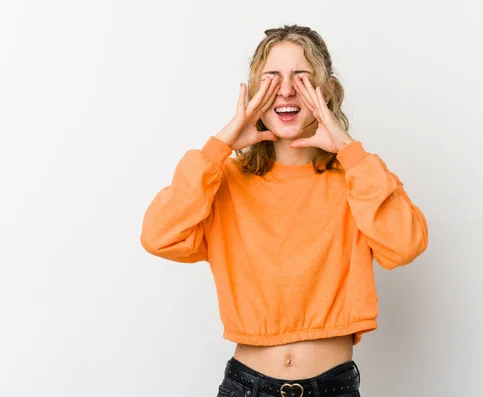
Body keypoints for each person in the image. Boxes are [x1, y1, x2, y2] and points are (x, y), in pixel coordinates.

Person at [140, 24, 428, 397]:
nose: (287, 89)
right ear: (255, 91)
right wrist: (220, 145)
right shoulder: (223, 179)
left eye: (302, 77)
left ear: (325, 91)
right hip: (247, 387)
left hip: (333, 388)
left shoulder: (359, 176)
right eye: (272, 79)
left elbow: (405, 245)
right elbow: (158, 236)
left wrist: (348, 149)